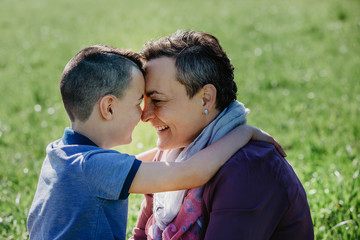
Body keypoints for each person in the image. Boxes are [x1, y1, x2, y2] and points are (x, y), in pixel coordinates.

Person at [26, 45, 283, 240]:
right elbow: (190, 173)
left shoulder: (63, 156)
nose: (144, 113)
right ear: (109, 107)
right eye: (138, 102)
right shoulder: (95, 168)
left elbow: (140, 163)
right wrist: (242, 133)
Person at [132, 30, 314, 239]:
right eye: (142, 102)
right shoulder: (173, 154)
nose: (144, 116)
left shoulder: (249, 167)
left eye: (157, 100)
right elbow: (140, 236)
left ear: (205, 99)